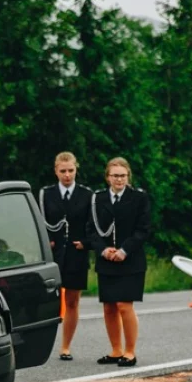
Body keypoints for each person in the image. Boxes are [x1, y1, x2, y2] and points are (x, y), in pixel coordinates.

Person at [86, 157, 151, 367]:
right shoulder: (97, 199)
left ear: (128, 176)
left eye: (122, 175)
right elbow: (91, 230)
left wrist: (124, 250)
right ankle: (116, 350)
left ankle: (130, 351)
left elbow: (143, 229)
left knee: (125, 305)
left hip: (130, 260)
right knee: (109, 307)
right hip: (107, 259)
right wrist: (103, 249)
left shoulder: (138, 198)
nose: (119, 180)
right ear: (108, 177)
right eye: (115, 176)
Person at [39, 151, 93, 360]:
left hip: (76, 254)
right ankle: (42, 345)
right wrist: (47, 242)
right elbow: (41, 221)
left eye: (71, 170)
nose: (67, 175)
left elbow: (93, 224)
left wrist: (86, 244)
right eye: (63, 171)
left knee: (71, 301)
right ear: (56, 171)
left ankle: (65, 346)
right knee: (48, 300)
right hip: (53, 253)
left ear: (76, 169)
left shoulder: (87, 194)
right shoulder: (46, 193)